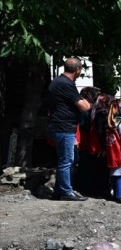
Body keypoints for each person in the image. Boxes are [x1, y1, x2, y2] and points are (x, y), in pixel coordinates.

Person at [48, 57, 92, 201]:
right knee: (67, 160)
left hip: (60, 126)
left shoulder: (57, 81)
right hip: (64, 127)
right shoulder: (66, 84)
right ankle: (67, 192)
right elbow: (84, 107)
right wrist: (88, 102)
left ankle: (58, 191)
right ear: (78, 70)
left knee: (66, 160)